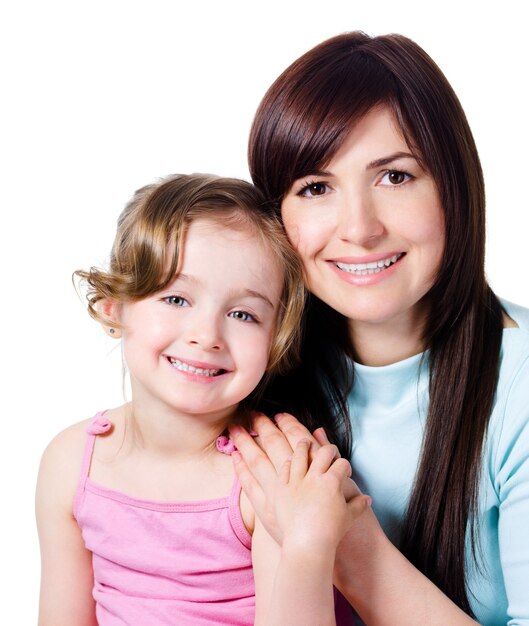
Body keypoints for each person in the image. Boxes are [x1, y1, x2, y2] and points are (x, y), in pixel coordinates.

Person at [229, 32, 529, 626]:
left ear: (454, 185)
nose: (360, 229)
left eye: (394, 177)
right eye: (316, 188)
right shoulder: (247, 363)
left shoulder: (517, 382)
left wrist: (349, 543)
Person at [35, 173, 370, 626]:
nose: (207, 335)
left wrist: (307, 546)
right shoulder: (71, 461)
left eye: (242, 314)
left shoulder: (273, 473)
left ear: (275, 342)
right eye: (176, 299)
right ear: (114, 306)